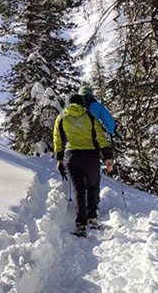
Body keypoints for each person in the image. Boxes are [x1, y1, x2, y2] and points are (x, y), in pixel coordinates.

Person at [53, 91, 114, 237]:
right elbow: (100, 137)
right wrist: (107, 157)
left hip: (72, 156)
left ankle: (81, 225)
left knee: (78, 190)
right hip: (91, 156)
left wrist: (59, 159)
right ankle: (92, 218)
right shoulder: (90, 116)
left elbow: (58, 139)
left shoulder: (61, 117)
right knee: (91, 187)